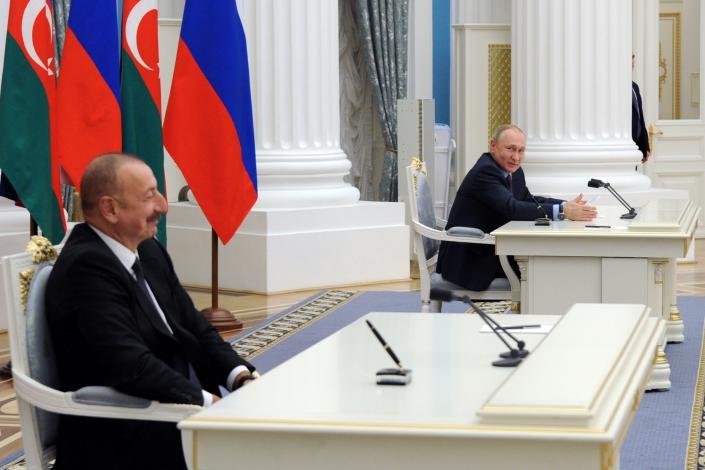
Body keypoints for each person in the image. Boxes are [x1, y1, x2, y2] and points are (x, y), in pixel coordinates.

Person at [45, 153, 256, 470]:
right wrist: (209, 405)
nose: (163, 205)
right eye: (149, 196)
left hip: (172, 407)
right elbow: (131, 366)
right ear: (110, 209)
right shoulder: (86, 267)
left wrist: (241, 377)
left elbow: (195, 327)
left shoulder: (148, 249)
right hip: (125, 433)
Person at [436, 124, 597, 291]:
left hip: (492, 248)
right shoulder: (485, 171)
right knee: (541, 268)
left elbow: (528, 199)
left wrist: (564, 205)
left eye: (521, 151)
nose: (516, 157)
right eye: (511, 149)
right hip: (471, 257)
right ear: (493, 146)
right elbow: (512, 208)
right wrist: (563, 212)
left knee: (546, 263)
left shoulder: (514, 171)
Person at [632, 54, 650, 163]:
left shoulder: (634, 86)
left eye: (633, 65)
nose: (631, 68)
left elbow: (640, 117)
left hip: (636, 144)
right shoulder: (615, 87)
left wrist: (645, 146)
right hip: (624, 144)